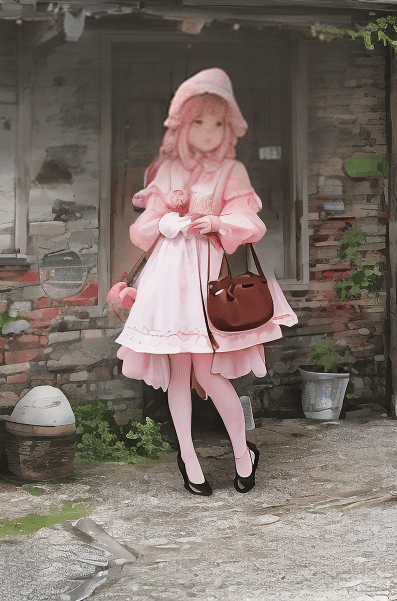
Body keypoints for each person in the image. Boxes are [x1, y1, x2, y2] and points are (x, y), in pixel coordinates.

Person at [107, 68, 297, 495]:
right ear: (181, 123)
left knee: (209, 374)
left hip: (209, 276)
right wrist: (168, 222)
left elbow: (250, 223)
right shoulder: (166, 170)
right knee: (178, 374)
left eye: (217, 122)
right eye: (199, 121)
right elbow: (141, 232)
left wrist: (213, 220)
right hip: (167, 280)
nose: (208, 131)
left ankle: (242, 454)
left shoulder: (232, 171)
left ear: (228, 127)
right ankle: (189, 461)